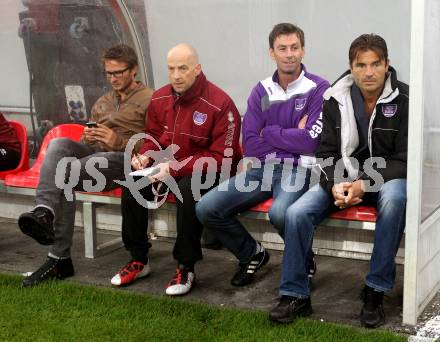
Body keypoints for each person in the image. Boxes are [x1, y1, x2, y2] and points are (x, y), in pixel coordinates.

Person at [268, 34, 408, 328]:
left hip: (385, 180)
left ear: (387, 65)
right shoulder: (334, 96)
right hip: (342, 179)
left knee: (396, 199)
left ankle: (375, 290)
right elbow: (326, 151)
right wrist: (335, 183)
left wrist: (364, 184)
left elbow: (403, 159)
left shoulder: (405, 98)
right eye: (361, 65)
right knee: (296, 212)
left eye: (375, 64)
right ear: (351, 67)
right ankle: (295, 294)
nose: (368, 72)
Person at [196, 23, 329, 287]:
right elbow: (252, 145)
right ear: (272, 52)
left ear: (303, 51)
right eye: (282, 48)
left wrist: (270, 131)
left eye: (294, 48)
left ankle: (304, 260)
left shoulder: (319, 88)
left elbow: (310, 141)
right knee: (206, 208)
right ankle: (252, 253)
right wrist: (290, 134)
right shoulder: (261, 90)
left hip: (299, 169)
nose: (289, 54)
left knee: (280, 213)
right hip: (261, 169)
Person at [111, 43, 242, 296]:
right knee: (133, 183)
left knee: (187, 188)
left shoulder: (221, 103)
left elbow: (221, 158)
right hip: (167, 169)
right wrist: (147, 156)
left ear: (197, 69)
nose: (176, 75)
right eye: (171, 69)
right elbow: (153, 136)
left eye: (183, 68)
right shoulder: (160, 98)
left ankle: (186, 266)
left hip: (211, 172)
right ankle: (139, 259)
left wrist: (176, 167)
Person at [18, 44, 154, 287]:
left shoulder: (150, 99)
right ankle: (44, 213)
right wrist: (87, 138)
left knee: (67, 173)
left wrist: (119, 141)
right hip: (95, 157)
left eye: (118, 72)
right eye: (108, 73)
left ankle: (58, 257)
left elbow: (155, 145)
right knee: (59, 145)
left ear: (134, 70)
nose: (112, 78)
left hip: (125, 160)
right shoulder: (103, 101)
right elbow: (86, 137)